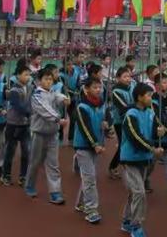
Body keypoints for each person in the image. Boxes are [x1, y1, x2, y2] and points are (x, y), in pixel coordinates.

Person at [120, 82, 164, 237]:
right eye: (148, 96)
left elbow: (153, 132)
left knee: (134, 193)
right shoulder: (131, 114)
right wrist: (152, 148)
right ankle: (136, 225)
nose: (151, 98)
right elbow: (135, 137)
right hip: (130, 159)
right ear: (139, 97)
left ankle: (126, 220)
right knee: (139, 192)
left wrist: (159, 133)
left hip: (144, 159)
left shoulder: (150, 113)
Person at [25, 68, 69, 204]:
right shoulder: (36, 95)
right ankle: (30, 185)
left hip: (52, 134)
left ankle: (55, 192)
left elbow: (58, 97)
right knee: (35, 161)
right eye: (46, 79)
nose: (49, 81)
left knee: (53, 163)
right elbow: (45, 109)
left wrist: (65, 99)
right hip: (38, 133)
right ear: (39, 81)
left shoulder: (53, 92)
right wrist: (58, 119)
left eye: (50, 79)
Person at [74, 77, 110, 224]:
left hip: (97, 145)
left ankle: (80, 203)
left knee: (88, 176)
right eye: (95, 87)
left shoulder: (103, 105)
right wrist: (95, 143)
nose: (98, 90)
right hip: (84, 146)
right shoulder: (82, 107)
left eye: (99, 87)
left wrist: (108, 126)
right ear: (87, 89)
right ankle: (91, 209)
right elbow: (84, 128)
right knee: (90, 178)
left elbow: (109, 120)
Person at [1, 65, 32, 186]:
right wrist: (31, 113)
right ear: (18, 75)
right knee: (10, 151)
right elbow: (18, 106)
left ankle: (23, 176)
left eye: (29, 75)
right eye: (25, 74)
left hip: (25, 125)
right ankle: (6, 175)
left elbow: (32, 101)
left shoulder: (29, 88)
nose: (28, 77)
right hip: (13, 124)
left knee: (26, 151)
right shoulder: (14, 90)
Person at [109, 66, 134, 179]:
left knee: (127, 144)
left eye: (129, 76)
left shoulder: (131, 87)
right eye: (125, 77)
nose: (128, 79)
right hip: (120, 122)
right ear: (118, 78)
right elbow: (124, 107)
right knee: (122, 145)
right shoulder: (116, 91)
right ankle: (112, 166)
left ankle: (125, 164)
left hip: (131, 120)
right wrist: (136, 106)